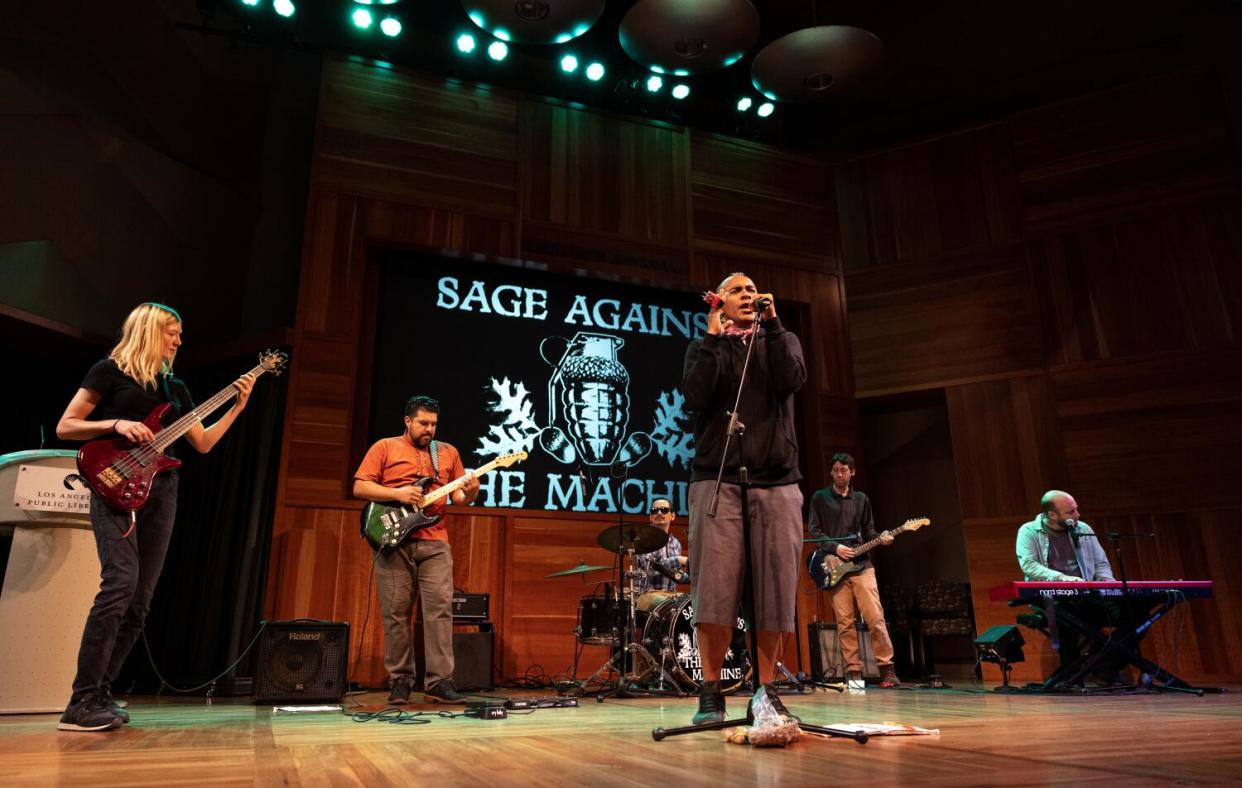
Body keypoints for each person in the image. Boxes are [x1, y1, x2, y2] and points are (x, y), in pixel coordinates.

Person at [54, 302, 255, 732]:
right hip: (114, 484)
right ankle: (81, 699)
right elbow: (67, 426)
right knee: (120, 583)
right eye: (172, 332)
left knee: (140, 601)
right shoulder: (108, 371)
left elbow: (201, 444)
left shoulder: (176, 388)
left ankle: (101, 692)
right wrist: (117, 424)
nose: (179, 341)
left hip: (161, 491)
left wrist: (237, 407)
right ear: (148, 329)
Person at [681, 272, 806, 724]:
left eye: (753, 290)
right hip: (717, 481)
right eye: (737, 291)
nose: (749, 296)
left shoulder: (781, 339)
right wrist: (714, 338)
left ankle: (767, 690)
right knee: (713, 590)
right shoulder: (702, 349)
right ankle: (710, 691)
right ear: (718, 303)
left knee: (775, 591)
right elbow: (696, 396)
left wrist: (773, 327)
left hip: (777, 483)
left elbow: (792, 379)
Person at [353, 395, 479, 705]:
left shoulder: (447, 453)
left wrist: (472, 490)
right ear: (408, 421)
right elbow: (360, 487)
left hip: (436, 542)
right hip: (395, 540)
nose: (429, 429)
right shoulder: (384, 447)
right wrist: (397, 492)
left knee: (439, 612)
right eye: (423, 423)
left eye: (434, 424)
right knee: (396, 614)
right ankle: (400, 680)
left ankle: (439, 682)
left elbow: (461, 499)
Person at [807, 453, 900, 688]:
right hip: (836, 568)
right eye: (836, 470)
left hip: (862, 565)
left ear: (852, 472)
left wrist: (882, 538)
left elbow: (869, 531)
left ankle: (887, 669)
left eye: (844, 470)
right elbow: (815, 532)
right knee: (844, 622)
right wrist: (835, 547)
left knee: (875, 617)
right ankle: (854, 672)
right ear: (831, 472)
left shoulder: (861, 499)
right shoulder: (819, 498)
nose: (840, 474)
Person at [1016, 490, 1126, 684]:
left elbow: (1101, 563)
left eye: (1076, 509)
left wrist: (1106, 584)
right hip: (1051, 597)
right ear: (1052, 515)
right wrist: (1063, 579)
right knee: (1065, 613)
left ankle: (1105, 664)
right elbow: (1029, 565)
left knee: (1131, 611)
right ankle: (1073, 676)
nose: (1077, 515)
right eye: (1071, 511)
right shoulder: (1029, 531)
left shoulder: (1082, 528)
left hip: (1089, 595)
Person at [632, 498, 688, 611]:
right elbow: (649, 571)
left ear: (673, 516)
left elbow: (674, 574)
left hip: (671, 595)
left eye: (664, 510)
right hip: (647, 595)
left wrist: (688, 577)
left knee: (693, 604)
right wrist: (677, 560)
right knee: (669, 606)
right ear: (650, 517)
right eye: (654, 510)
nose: (659, 513)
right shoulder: (643, 540)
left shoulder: (676, 543)